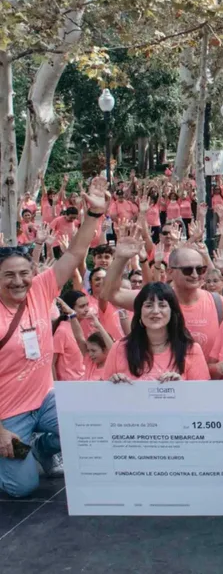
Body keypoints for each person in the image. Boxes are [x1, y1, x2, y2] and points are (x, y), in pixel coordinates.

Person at [0, 178, 108, 497]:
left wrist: (93, 214)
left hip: (46, 400)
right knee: (22, 489)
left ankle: (44, 447)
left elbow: (75, 254)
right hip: (7, 414)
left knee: (88, 424)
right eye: (9, 276)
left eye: (24, 274)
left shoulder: (41, 287)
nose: (19, 281)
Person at [103, 238, 223, 357]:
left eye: (200, 269)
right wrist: (120, 259)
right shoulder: (155, 300)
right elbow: (111, 294)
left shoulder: (221, 304)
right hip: (165, 379)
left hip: (210, 380)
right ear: (170, 271)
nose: (195, 275)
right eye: (187, 270)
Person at [104, 283, 210, 382]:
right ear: (139, 311)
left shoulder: (191, 350)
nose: (155, 311)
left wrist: (181, 388)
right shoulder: (119, 348)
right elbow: (102, 396)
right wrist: (112, 386)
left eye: (162, 305)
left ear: (172, 311)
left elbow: (202, 397)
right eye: (149, 305)